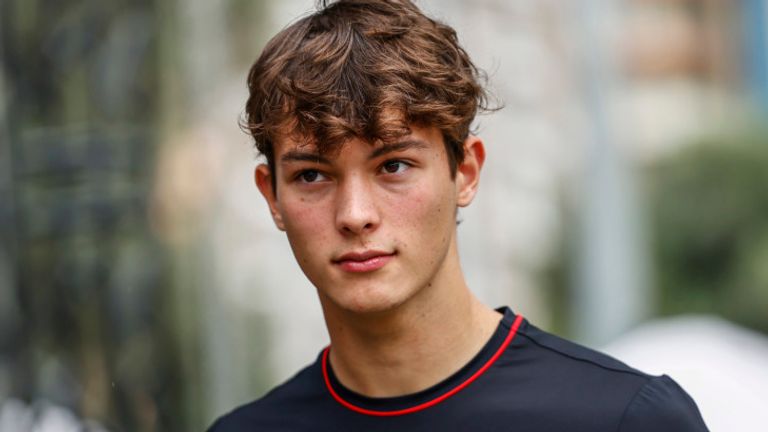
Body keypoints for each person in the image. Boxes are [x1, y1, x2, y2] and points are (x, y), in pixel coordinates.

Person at [207, 1, 709, 430]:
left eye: (394, 166)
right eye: (313, 176)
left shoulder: (624, 419)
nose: (355, 215)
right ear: (272, 196)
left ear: (465, 172)